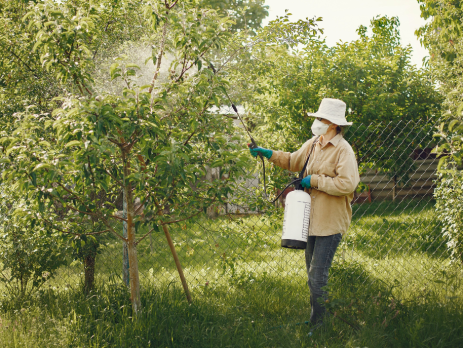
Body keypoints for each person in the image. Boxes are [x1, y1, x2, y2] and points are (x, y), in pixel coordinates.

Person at [248, 98, 359, 328]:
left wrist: (315, 180)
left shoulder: (343, 150)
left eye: (321, 118)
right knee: (312, 275)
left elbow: (348, 184)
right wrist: (267, 153)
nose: (317, 121)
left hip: (330, 223)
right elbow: (291, 160)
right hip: (311, 221)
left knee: (318, 277)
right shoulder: (313, 143)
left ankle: (320, 327)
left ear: (333, 124)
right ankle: (316, 320)